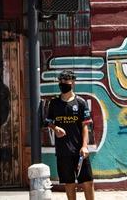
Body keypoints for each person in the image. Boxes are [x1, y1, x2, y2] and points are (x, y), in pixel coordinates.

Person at [44, 70, 95, 200]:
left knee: (88, 182)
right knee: (69, 183)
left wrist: (84, 146)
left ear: (72, 83)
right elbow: (48, 122)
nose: (62, 84)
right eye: (60, 81)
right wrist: (55, 128)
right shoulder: (54, 103)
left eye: (65, 81)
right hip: (63, 151)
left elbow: (85, 126)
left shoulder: (80, 103)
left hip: (80, 152)